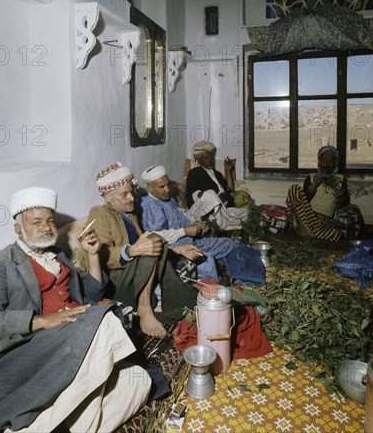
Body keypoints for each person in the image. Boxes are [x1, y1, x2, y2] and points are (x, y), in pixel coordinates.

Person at [0, 187, 152, 433]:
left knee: (140, 381)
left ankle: (47, 425)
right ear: (19, 229)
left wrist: (93, 256)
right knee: (105, 321)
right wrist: (41, 321)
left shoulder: (58, 256)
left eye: (49, 220)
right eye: (36, 222)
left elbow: (92, 295)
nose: (47, 227)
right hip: (21, 355)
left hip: (73, 340)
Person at [83, 162, 198, 338]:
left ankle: (170, 303)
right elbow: (101, 255)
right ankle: (144, 309)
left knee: (154, 240)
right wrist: (131, 251)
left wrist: (177, 250)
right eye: (125, 194)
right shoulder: (99, 213)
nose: (132, 198)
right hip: (116, 281)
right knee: (151, 240)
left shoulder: (129, 214)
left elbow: (146, 247)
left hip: (134, 272)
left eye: (131, 192)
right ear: (108, 197)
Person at [139, 165, 266, 286]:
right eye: (162, 187)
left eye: (167, 184)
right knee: (208, 262)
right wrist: (184, 231)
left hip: (193, 241)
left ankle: (242, 274)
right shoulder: (148, 207)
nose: (167, 189)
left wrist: (196, 223)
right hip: (176, 250)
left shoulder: (167, 198)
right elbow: (155, 237)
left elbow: (181, 213)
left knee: (230, 244)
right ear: (150, 188)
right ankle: (213, 292)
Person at [285, 145, 364, 241]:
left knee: (336, 234)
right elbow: (303, 200)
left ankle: (310, 232)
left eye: (330, 161)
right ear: (319, 164)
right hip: (306, 216)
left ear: (335, 164)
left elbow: (345, 203)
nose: (327, 163)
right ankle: (302, 228)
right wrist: (313, 186)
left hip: (324, 221)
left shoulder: (340, 179)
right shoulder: (311, 177)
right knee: (294, 188)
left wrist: (340, 197)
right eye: (324, 161)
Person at [185, 141, 249, 231]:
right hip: (206, 211)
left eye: (212, 157)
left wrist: (228, 171)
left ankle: (226, 222)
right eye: (207, 158)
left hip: (224, 209)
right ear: (198, 158)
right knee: (210, 194)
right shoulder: (195, 173)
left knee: (248, 212)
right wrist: (217, 198)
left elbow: (230, 190)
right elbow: (193, 197)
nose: (211, 160)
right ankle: (222, 223)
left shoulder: (217, 174)